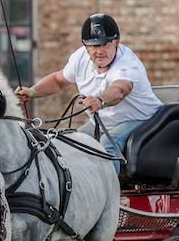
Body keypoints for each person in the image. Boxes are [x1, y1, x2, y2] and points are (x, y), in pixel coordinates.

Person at [13, 13, 161, 173]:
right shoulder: (80, 58)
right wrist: (32, 91)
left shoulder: (128, 64)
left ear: (116, 42)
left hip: (141, 119)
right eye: (94, 46)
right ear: (86, 46)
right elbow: (58, 80)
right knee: (70, 143)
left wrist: (100, 100)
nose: (100, 51)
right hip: (103, 122)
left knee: (106, 146)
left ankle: (109, 189)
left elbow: (120, 89)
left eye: (105, 44)